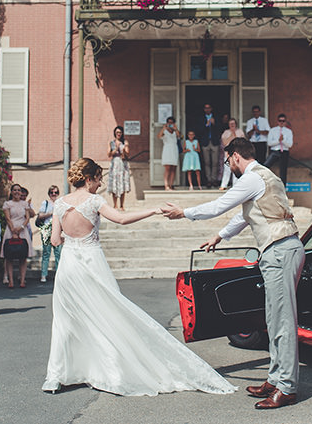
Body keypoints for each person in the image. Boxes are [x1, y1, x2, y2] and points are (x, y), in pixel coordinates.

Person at [41, 157, 234, 396]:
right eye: (98, 179)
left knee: (66, 321)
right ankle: (111, 374)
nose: (100, 183)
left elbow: (55, 240)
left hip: (69, 266)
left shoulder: (59, 203)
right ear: (89, 178)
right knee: (109, 315)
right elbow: (121, 219)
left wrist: (71, 239)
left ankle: (56, 377)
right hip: (92, 263)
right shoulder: (94, 201)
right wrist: (153, 209)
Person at [162, 138, 305, 409]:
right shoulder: (263, 176)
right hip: (280, 249)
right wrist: (220, 235)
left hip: (280, 249)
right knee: (273, 319)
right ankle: (275, 379)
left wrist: (184, 212)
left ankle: (286, 387)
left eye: (228, 161)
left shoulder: (251, 178)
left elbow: (221, 204)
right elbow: (243, 216)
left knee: (282, 321)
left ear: (236, 156)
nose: (229, 166)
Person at [1, 183, 35, 288]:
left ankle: (22, 280)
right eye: (15, 190)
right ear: (11, 192)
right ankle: (10, 280)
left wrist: (21, 228)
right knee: (9, 257)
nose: (17, 192)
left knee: (23, 257)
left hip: (22, 230)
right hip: (11, 230)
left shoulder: (25, 204)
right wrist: (13, 230)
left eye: (19, 190)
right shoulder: (7, 204)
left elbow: (28, 218)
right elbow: (7, 218)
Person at [37, 185, 61, 282]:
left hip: (58, 230)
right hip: (47, 229)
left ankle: (59, 275)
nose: (54, 194)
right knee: (46, 253)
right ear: (49, 194)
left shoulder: (60, 203)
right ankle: (44, 275)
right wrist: (51, 213)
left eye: (55, 192)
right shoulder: (45, 203)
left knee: (58, 253)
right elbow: (40, 215)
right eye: (52, 192)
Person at [264, 113, 294, 186]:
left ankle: (283, 189)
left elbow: (290, 144)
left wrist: (283, 140)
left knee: (283, 171)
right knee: (265, 166)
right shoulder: (273, 130)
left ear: (285, 122)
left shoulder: (288, 131)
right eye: (280, 121)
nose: (281, 122)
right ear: (277, 121)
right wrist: (278, 140)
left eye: (283, 121)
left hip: (284, 151)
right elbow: (269, 143)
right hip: (275, 151)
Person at [106, 126, 131, 210]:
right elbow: (109, 154)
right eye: (117, 132)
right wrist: (116, 148)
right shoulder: (111, 142)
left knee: (122, 183)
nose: (118, 134)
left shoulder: (125, 142)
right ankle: (115, 204)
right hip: (115, 163)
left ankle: (122, 205)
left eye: (120, 132)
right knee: (114, 183)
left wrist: (124, 149)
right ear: (115, 133)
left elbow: (127, 153)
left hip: (122, 163)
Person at [199, 103, 222, 187]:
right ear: (204, 109)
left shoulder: (216, 117)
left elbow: (221, 128)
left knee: (215, 162)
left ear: (211, 109)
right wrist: (206, 125)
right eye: (206, 108)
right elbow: (199, 130)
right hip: (205, 142)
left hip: (215, 142)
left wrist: (214, 123)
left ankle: (214, 179)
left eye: (209, 108)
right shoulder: (201, 118)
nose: (207, 109)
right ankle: (208, 180)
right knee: (207, 162)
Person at [219, 117, 245, 190]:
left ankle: (236, 186)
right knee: (227, 170)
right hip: (228, 154)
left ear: (236, 124)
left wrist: (235, 134)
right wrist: (231, 134)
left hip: (237, 153)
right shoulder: (226, 132)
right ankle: (224, 185)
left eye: (233, 124)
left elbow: (242, 142)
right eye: (231, 124)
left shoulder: (240, 131)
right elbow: (224, 142)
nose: (232, 125)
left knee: (236, 170)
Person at [158, 116, 181, 191]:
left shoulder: (175, 131)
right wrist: (164, 128)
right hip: (167, 149)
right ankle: (166, 185)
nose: (170, 124)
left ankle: (171, 185)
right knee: (167, 168)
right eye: (169, 123)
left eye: (172, 123)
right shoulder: (164, 131)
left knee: (173, 168)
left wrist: (175, 128)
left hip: (174, 149)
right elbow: (159, 136)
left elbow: (179, 136)